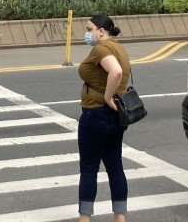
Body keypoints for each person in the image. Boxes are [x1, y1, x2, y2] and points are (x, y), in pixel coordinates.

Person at [76, 14, 132, 222]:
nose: (87, 33)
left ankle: (85, 219)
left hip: (96, 114)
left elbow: (115, 72)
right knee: (115, 166)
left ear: (101, 31)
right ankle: (120, 217)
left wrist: (108, 96)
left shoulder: (101, 49)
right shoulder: (119, 47)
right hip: (116, 117)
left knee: (89, 169)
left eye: (90, 29)